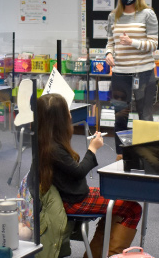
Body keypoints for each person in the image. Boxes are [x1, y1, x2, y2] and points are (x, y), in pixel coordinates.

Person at [29, 94, 142, 258]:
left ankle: (97, 254)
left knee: (118, 204)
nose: (70, 114)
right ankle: (110, 255)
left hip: (72, 195)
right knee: (133, 209)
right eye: (67, 111)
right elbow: (79, 172)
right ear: (59, 120)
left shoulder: (45, 142)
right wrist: (93, 148)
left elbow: (72, 171)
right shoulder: (53, 148)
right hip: (74, 200)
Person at [105, 0, 159, 161]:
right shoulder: (114, 16)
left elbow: (153, 44)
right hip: (120, 75)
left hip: (143, 74)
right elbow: (110, 42)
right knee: (120, 117)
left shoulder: (148, 14)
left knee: (145, 117)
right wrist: (108, 54)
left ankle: (148, 156)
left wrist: (132, 42)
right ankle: (121, 156)